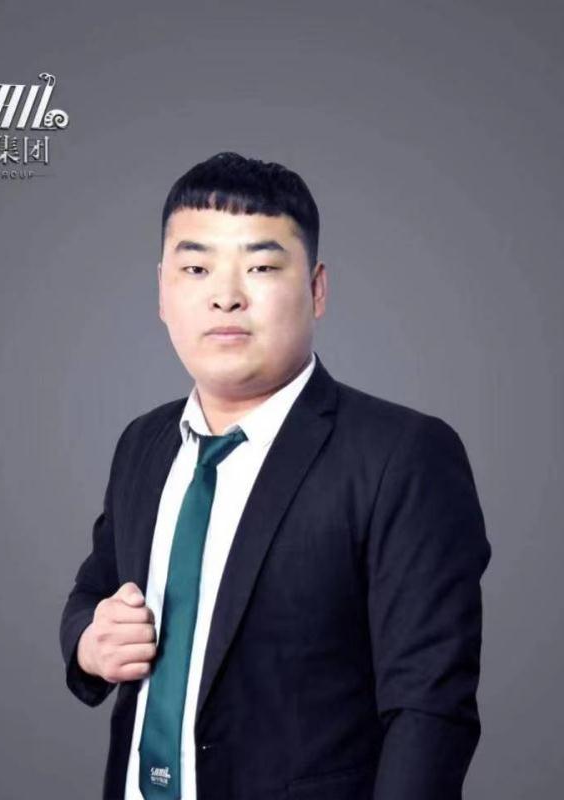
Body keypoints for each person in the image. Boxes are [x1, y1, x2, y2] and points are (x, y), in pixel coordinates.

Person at [59, 151, 492, 800]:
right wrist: (91, 644)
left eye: (260, 267)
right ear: (161, 292)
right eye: (196, 268)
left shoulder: (402, 456)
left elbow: (428, 713)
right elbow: (93, 591)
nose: (225, 295)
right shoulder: (142, 444)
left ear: (316, 290)